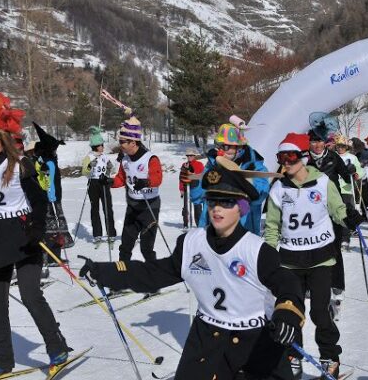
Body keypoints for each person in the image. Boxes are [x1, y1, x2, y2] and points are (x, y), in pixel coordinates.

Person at [79, 157, 304, 380]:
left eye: (226, 203)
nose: (217, 209)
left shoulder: (256, 250)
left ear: (242, 207)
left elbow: (287, 283)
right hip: (206, 338)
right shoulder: (191, 243)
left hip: (253, 340)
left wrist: (287, 314)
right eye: (212, 201)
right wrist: (105, 271)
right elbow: (154, 273)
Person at [0, 91, 70, 379]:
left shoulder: (20, 164)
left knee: (30, 293)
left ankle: (57, 347)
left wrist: (37, 227)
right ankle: (1, 360)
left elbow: (39, 199)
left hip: (23, 234)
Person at [265, 133, 364, 379]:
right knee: (290, 313)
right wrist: (268, 255)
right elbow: (272, 227)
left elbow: (337, 209)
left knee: (320, 312)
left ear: (302, 157)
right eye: (281, 157)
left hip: (320, 258)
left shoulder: (322, 183)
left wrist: (349, 218)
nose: (285, 163)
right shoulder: (278, 188)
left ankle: (330, 357)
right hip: (289, 261)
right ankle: (292, 356)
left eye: (290, 157)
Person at [307, 129, 352, 322]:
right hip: (310, 208)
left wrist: (352, 174)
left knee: (334, 247)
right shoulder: (304, 159)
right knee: (310, 245)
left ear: (325, 143)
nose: (316, 145)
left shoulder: (333, 157)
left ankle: (337, 284)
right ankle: (311, 284)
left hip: (332, 207)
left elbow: (345, 175)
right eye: (313, 142)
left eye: (319, 142)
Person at [104, 112, 162, 262]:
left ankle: (153, 275)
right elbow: (121, 179)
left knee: (146, 248)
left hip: (149, 206)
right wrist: (110, 182)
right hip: (133, 206)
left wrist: (146, 182)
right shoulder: (125, 159)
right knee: (125, 245)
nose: (120, 145)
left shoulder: (150, 158)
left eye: (123, 142)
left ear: (133, 142)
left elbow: (157, 178)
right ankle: (123, 275)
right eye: (120, 141)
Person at [197, 123, 270, 235]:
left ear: (239, 147)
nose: (222, 151)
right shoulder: (212, 165)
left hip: (243, 233)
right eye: (220, 146)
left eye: (227, 147)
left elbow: (260, 195)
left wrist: (243, 182)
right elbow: (198, 197)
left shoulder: (253, 165)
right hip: (213, 232)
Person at [33, 122, 74, 265]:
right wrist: (49, 196)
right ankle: (46, 257)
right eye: (55, 149)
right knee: (48, 229)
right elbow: (42, 179)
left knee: (56, 229)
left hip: (55, 198)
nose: (56, 151)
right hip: (47, 199)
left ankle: (54, 256)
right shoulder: (42, 161)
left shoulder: (51, 160)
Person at [81, 126, 116, 243]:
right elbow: (84, 172)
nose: (103, 147)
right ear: (96, 146)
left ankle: (111, 233)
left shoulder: (105, 157)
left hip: (103, 183)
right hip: (93, 184)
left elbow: (112, 168)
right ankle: (97, 234)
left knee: (108, 209)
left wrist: (107, 172)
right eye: (101, 145)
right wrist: (90, 166)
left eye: (102, 145)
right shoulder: (89, 157)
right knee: (95, 209)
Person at [334, 134, 364, 251]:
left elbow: (360, 171)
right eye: (338, 146)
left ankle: (345, 240)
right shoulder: (333, 156)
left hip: (346, 189)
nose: (340, 148)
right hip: (334, 189)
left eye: (342, 146)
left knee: (346, 214)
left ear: (346, 147)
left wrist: (356, 173)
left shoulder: (352, 157)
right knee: (335, 214)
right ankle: (336, 238)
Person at [178, 148, 205, 229]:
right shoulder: (184, 165)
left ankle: (199, 225)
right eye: (188, 155)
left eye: (191, 155)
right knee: (186, 207)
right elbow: (181, 177)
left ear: (194, 156)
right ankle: (186, 224)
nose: (189, 157)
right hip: (188, 187)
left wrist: (192, 175)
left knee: (198, 208)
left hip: (198, 188)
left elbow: (202, 176)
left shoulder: (199, 164)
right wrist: (181, 189)